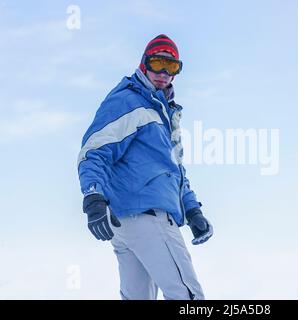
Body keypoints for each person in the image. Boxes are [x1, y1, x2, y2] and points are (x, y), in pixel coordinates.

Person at [77, 34, 213, 300]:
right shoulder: (130, 101)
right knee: (188, 298)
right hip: (149, 217)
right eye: (157, 63)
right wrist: (93, 197)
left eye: (171, 66)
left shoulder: (163, 115)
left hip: (126, 223)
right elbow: (95, 150)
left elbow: (174, 173)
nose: (163, 73)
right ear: (143, 64)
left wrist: (193, 210)